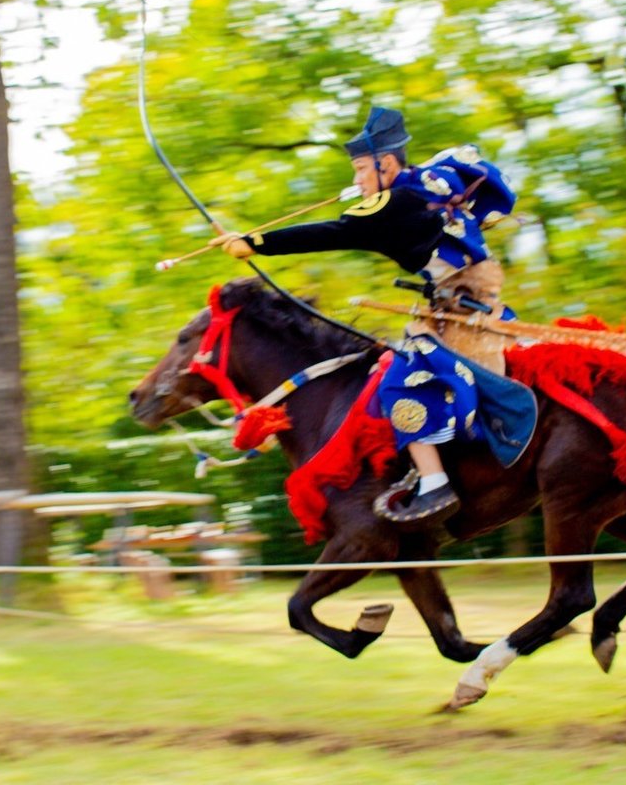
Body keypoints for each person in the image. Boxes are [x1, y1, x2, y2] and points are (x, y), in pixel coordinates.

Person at [217, 106, 530, 527]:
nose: (357, 181)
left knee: (403, 378)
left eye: (362, 169)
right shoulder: (426, 183)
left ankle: (436, 483)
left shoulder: (394, 201)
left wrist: (256, 243)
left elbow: (334, 232)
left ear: (386, 164)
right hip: (458, 300)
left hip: (461, 303)